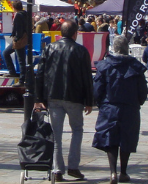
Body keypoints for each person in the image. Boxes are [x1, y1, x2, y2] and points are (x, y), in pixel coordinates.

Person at [34, 20, 94, 182]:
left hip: (53, 96)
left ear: (60, 33)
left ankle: (57, 169)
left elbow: (40, 74)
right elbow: (87, 78)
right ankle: (73, 166)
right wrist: (89, 100)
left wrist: (38, 98)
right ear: (75, 34)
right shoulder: (81, 51)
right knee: (77, 130)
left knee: (56, 134)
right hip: (74, 96)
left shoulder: (50, 48)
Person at [93, 35, 148, 184]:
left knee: (110, 139)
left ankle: (113, 172)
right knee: (127, 139)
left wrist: (99, 103)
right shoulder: (135, 66)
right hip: (129, 108)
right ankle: (123, 171)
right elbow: (142, 91)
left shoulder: (105, 66)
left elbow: (97, 89)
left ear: (114, 48)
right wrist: (138, 102)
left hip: (109, 107)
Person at [4, 0, 28, 87]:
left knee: (20, 60)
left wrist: (16, 39)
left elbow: (19, 29)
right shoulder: (25, 14)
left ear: (13, 7)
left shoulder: (18, 15)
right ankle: (13, 72)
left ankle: (21, 80)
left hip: (19, 40)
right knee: (9, 54)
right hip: (24, 38)